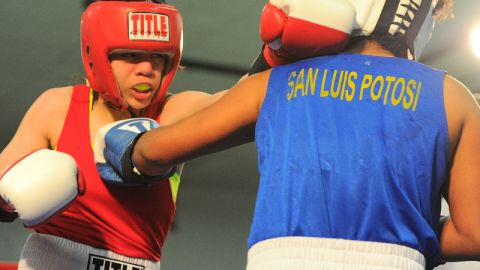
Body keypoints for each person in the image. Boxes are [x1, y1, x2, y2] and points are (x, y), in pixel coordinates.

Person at [96, 0, 480, 269]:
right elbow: (473, 236)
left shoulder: (275, 83)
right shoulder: (452, 97)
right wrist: (399, 228)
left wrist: (124, 143)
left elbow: (153, 153)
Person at [0, 1, 225, 269]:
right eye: (130, 55)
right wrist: (8, 200)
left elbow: (241, 102)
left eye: (157, 57)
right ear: (97, 55)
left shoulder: (174, 111)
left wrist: (275, 55)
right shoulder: (58, 107)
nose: (146, 69)